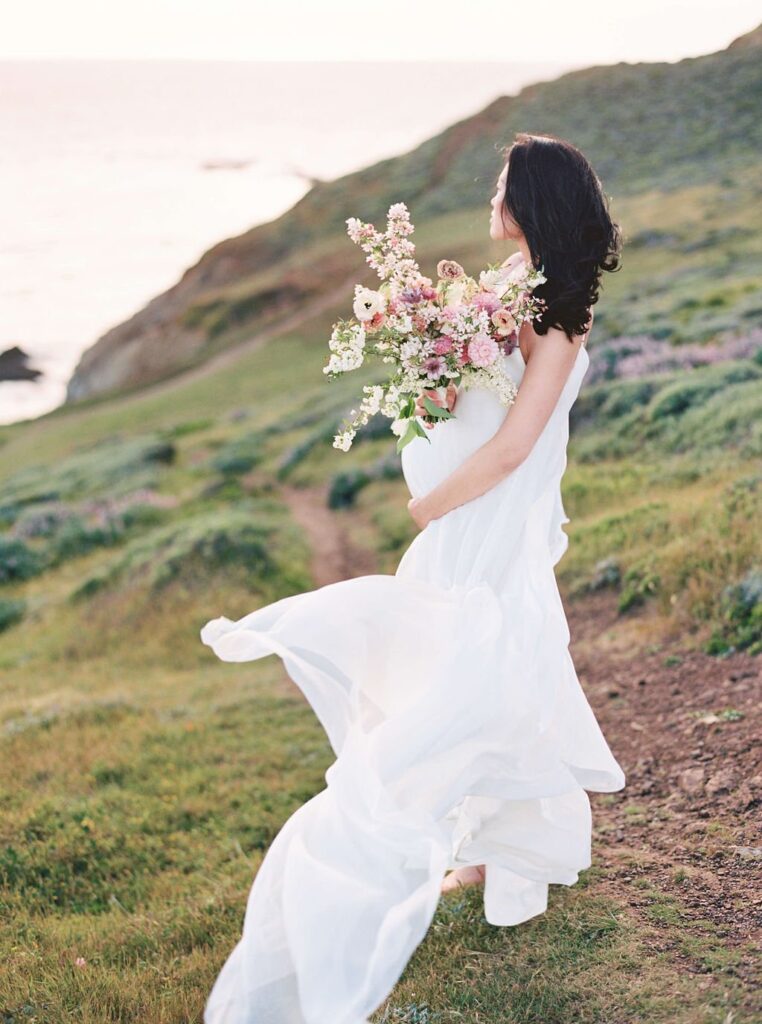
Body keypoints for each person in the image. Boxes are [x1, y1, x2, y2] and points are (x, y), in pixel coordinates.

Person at [200, 131, 626, 1024]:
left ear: (532, 200)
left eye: (503, 183)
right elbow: (475, 397)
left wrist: (430, 504)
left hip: (489, 521)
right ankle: (480, 849)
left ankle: (444, 834)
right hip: (468, 516)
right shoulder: (511, 284)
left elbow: (516, 443)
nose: (491, 194)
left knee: (480, 667)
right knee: (458, 663)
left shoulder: (561, 308)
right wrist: (428, 372)